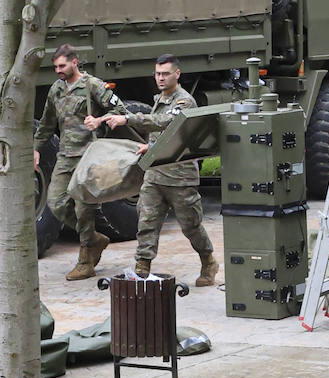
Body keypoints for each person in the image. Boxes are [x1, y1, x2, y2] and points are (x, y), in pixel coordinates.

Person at [88, 54, 218, 286]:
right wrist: (150, 146)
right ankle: (142, 267)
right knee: (147, 223)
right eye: (157, 74)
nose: (160, 78)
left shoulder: (184, 102)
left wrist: (126, 119)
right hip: (155, 174)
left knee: (191, 226)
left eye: (165, 74)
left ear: (177, 74)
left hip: (179, 177)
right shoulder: (161, 98)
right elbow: (166, 136)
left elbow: (163, 123)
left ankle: (208, 261)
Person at [33, 44, 124, 280]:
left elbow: (120, 110)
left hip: (87, 156)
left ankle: (86, 261)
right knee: (56, 203)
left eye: (62, 66)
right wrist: (35, 149)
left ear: (75, 62)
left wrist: (100, 119)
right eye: (55, 67)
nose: (58, 71)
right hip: (65, 156)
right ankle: (94, 239)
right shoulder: (56, 89)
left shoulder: (92, 85)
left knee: (84, 209)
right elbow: (46, 123)